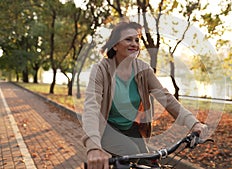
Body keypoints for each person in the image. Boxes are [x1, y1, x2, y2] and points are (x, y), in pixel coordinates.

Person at [81, 21, 208, 169]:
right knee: (132, 153)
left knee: (148, 162)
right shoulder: (101, 70)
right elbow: (91, 107)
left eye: (137, 40)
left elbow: (166, 98)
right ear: (115, 45)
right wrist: (93, 147)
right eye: (128, 39)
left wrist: (193, 122)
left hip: (131, 128)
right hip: (107, 128)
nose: (134, 43)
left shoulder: (143, 70)